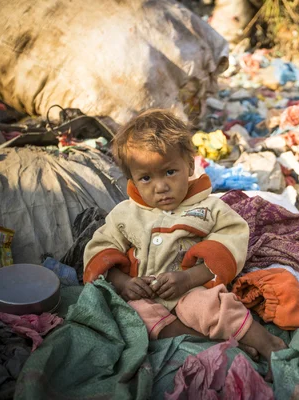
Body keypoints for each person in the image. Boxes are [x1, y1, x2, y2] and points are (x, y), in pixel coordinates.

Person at [83, 109, 285, 368]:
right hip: (144, 294)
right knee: (133, 316)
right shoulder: (125, 214)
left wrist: (190, 278)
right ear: (132, 179)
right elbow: (101, 247)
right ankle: (215, 345)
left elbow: (233, 239)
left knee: (213, 308)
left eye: (169, 172)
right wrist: (124, 283)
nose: (160, 186)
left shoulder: (209, 208)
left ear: (189, 165)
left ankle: (268, 344)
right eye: (146, 178)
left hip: (190, 289)